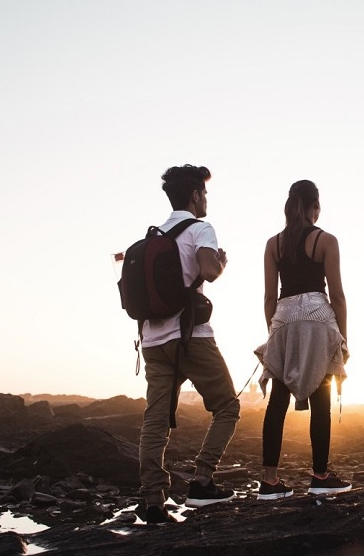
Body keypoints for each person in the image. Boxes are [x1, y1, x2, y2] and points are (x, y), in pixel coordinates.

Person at [136, 165, 240, 524]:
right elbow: (209, 271)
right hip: (191, 337)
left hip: (152, 341)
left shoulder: (153, 235)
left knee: (155, 420)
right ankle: (202, 481)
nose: (206, 199)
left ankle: (153, 500)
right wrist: (220, 264)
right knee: (227, 406)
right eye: (204, 193)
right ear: (195, 195)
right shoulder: (200, 228)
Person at [254, 180, 351, 500]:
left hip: (283, 318)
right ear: (315, 207)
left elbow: (269, 298)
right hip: (318, 318)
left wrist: (275, 332)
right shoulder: (326, 240)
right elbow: (337, 295)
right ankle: (320, 476)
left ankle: (269, 481)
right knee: (321, 399)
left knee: (277, 401)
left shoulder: (273, 244)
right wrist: (343, 339)